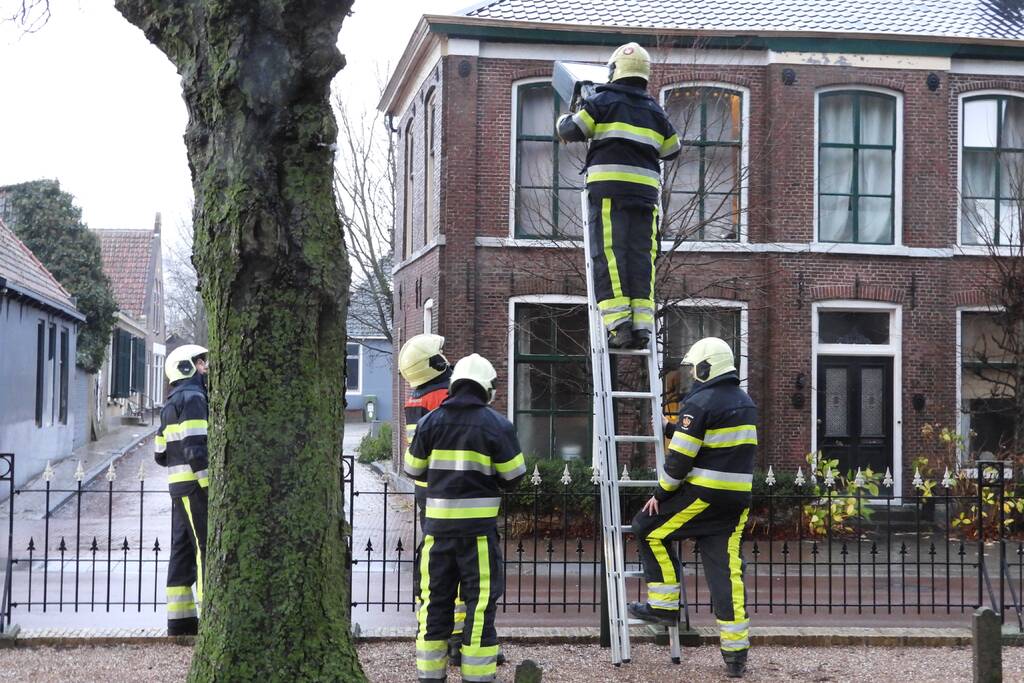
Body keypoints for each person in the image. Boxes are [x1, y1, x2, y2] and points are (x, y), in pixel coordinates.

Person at [629, 337, 757, 678]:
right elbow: (711, 441)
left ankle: (663, 606)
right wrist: (673, 427)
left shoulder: (699, 402)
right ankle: (735, 655)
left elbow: (680, 460)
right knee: (726, 574)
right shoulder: (745, 403)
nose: (692, 375)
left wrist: (660, 494)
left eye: (694, 369)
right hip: (736, 502)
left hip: (703, 497)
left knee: (647, 527)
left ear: (705, 367)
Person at [404, 354, 527, 683]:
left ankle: (430, 677)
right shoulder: (498, 426)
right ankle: (477, 677)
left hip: (436, 535)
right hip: (478, 538)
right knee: (479, 607)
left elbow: (412, 469)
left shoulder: (430, 423)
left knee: (434, 607)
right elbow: (514, 476)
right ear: (487, 387)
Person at [556, 42, 680, 350]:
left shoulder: (602, 101)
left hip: (609, 192)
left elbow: (573, 130)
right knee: (641, 257)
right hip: (646, 197)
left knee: (609, 255)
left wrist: (570, 113)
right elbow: (672, 148)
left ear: (614, 71)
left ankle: (619, 325)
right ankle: (642, 326)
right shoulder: (655, 110)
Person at [397, 334, 465, 661]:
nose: (446, 359)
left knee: (434, 560)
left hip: (428, 492)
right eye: (441, 355)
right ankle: (460, 637)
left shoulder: (416, 399)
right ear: (434, 364)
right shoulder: (445, 397)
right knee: (463, 563)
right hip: (453, 491)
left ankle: (433, 630)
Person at [155, 343, 210, 636]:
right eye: (200, 363)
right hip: (195, 486)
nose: (205, 367)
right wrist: (209, 485)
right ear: (187, 367)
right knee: (204, 547)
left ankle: (180, 621)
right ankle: (210, 615)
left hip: (178, 487)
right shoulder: (194, 398)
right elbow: (196, 447)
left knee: (182, 550)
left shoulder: (170, 403)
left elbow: (160, 453)